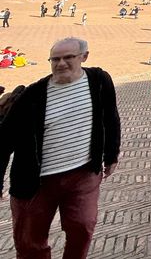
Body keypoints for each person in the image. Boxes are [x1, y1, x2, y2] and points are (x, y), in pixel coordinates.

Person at [0, 36, 120, 259]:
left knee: (82, 226)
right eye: (55, 59)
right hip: (35, 181)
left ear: (84, 57)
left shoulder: (99, 80)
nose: (61, 63)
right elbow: (4, 140)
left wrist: (111, 154)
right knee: (29, 242)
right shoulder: (32, 95)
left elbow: (110, 117)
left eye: (68, 57)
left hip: (83, 174)